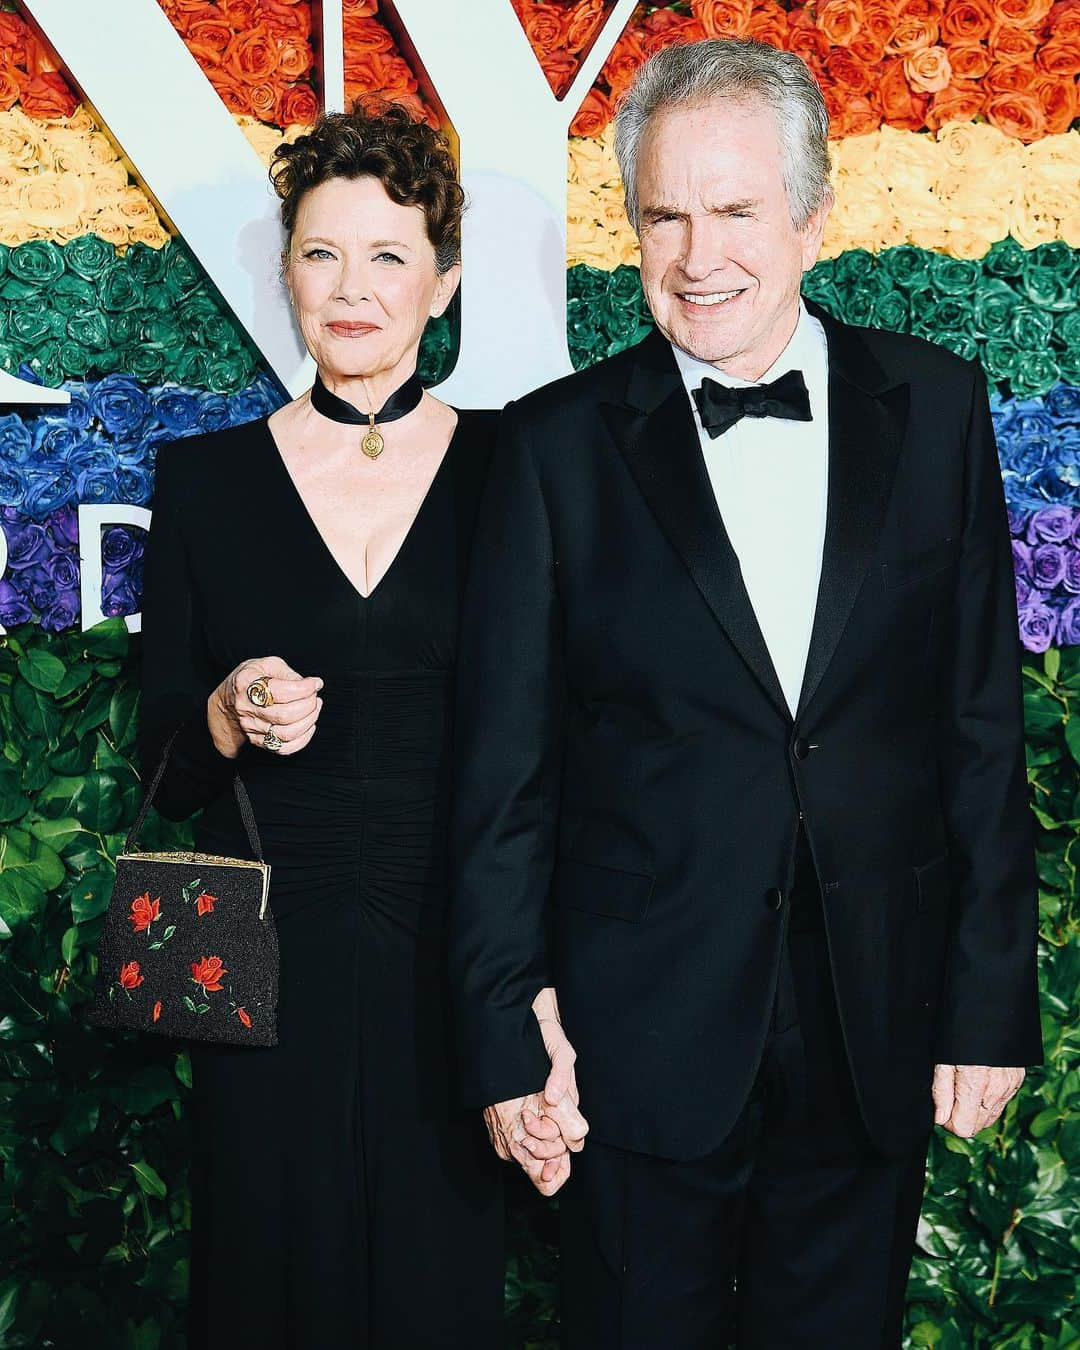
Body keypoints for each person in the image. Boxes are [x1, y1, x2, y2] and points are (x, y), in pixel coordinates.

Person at [450, 38, 1042, 1348]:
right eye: (664, 214)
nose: (697, 253)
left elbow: (978, 722)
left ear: (814, 220)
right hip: (630, 1042)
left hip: (869, 1022)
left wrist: (989, 997)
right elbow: (503, 778)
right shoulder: (554, 448)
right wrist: (505, 1031)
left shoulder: (935, 408)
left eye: (733, 211)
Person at [139, 104, 504, 1349]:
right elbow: (164, 768)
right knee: (265, 1287)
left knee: (438, 1292)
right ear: (286, 269)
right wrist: (229, 713)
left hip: (459, 963)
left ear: (443, 283)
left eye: (390, 257)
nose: (353, 290)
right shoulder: (203, 481)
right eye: (321, 254)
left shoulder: (521, 473)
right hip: (263, 976)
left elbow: (568, 740)